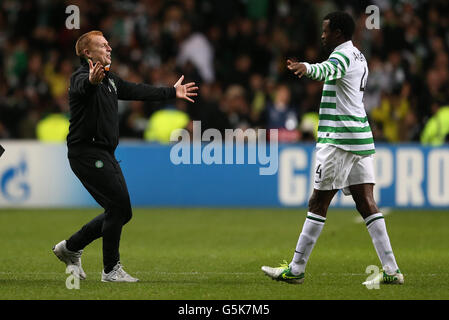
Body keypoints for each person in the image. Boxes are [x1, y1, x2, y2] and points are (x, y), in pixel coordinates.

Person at [261, 12, 403, 285]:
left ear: (338, 32)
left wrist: (306, 67)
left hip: (339, 139)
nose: (323, 35)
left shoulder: (342, 56)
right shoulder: (359, 56)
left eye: (326, 31)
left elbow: (327, 69)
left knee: (318, 201)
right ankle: (391, 269)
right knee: (366, 203)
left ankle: (297, 268)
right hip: (360, 137)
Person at [52, 30, 198, 282]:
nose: (109, 49)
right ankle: (110, 270)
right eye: (103, 45)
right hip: (87, 153)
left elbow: (136, 90)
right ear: (87, 53)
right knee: (118, 207)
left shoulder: (109, 79)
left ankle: (72, 247)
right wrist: (91, 81)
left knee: (122, 211)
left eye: (109, 44)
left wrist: (171, 93)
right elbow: (82, 88)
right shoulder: (81, 77)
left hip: (103, 153)